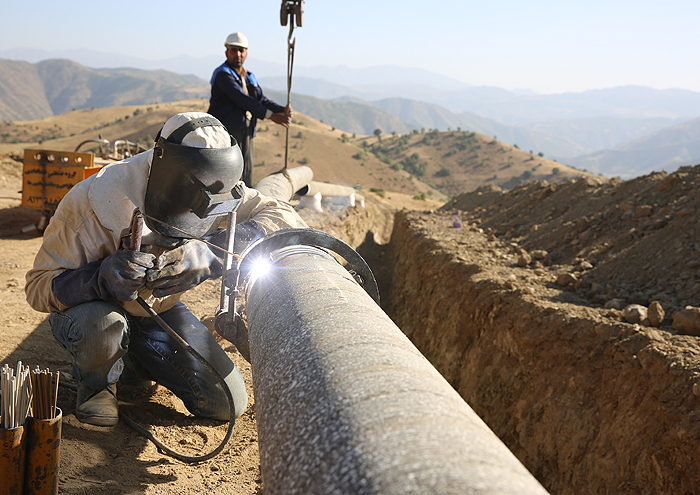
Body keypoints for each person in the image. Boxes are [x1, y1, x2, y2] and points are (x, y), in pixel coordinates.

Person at [25, 112, 303, 427]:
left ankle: (134, 361)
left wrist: (211, 252)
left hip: (157, 314)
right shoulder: (91, 201)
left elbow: (283, 216)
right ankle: (96, 387)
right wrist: (99, 278)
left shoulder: (218, 189)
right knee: (103, 325)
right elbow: (38, 288)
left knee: (226, 401)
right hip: (97, 315)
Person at [208, 32, 292, 187]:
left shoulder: (249, 76)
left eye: (241, 50)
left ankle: (245, 203)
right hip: (225, 131)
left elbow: (261, 99)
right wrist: (272, 116)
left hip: (245, 129)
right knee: (229, 171)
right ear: (227, 52)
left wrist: (282, 110)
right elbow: (243, 100)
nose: (238, 54)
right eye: (234, 50)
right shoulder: (223, 75)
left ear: (246, 53)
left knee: (246, 170)